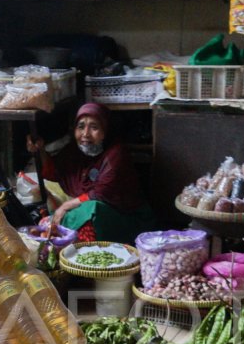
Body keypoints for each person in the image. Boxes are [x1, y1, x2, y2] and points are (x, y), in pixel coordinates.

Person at [27, 102, 155, 244]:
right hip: (89, 210)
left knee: (91, 208)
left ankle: (85, 251)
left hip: (126, 218)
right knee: (49, 221)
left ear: (106, 131)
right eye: (81, 127)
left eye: (94, 127)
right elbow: (54, 172)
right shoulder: (74, 151)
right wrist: (40, 151)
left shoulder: (116, 155)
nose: (85, 134)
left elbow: (99, 194)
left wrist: (64, 207)